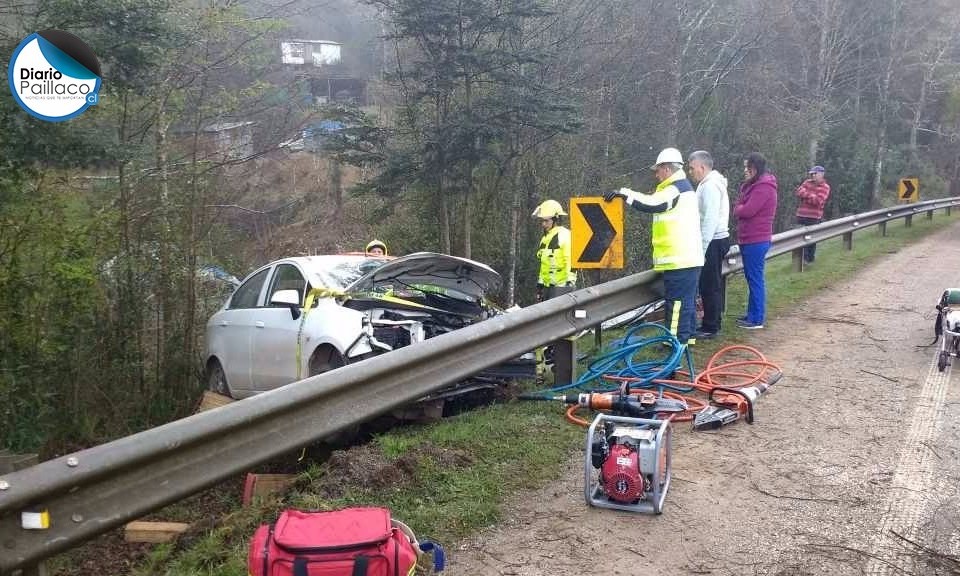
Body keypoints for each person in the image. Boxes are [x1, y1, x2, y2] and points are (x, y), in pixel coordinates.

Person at [604, 147, 703, 345]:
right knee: (686, 303)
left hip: (680, 260)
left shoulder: (676, 189)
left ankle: (674, 345)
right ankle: (687, 340)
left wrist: (624, 194)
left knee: (676, 305)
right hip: (687, 258)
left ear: (667, 168)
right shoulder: (682, 188)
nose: (656, 174)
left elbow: (652, 204)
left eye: (657, 170)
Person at [688, 150, 730, 339]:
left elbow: (710, 219)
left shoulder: (710, 186)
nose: (691, 172)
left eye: (692, 168)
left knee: (709, 285)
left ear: (702, 167)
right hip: (715, 239)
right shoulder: (709, 184)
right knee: (711, 284)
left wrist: (702, 247)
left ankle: (710, 327)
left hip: (713, 240)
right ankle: (712, 322)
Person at [734, 152, 778, 330]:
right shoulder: (753, 186)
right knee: (752, 278)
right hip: (749, 238)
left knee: (755, 279)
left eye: (748, 167)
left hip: (756, 239)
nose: (745, 171)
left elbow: (746, 210)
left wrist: (739, 208)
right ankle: (752, 314)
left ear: (755, 168)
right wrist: (739, 207)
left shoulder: (764, 188)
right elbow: (740, 206)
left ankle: (756, 319)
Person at [531, 199, 576, 301]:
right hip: (547, 288)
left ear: (556, 219)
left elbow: (570, 259)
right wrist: (540, 283)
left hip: (561, 287)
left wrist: (569, 282)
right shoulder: (545, 238)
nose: (543, 224)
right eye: (542, 220)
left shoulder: (564, 235)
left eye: (546, 221)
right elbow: (545, 265)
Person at [795, 165, 831, 263]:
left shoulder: (825, 187)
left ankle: (809, 260)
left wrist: (806, 195)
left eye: (815, 173)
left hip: (814, 217)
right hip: (802, 216)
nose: (813, 176)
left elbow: (818, 201)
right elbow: (799, 192)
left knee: (811, 239)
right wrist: (811, 195)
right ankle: (802, 260)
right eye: (812, 174)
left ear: (821, 174)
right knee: (800, 239)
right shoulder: (807, 182)